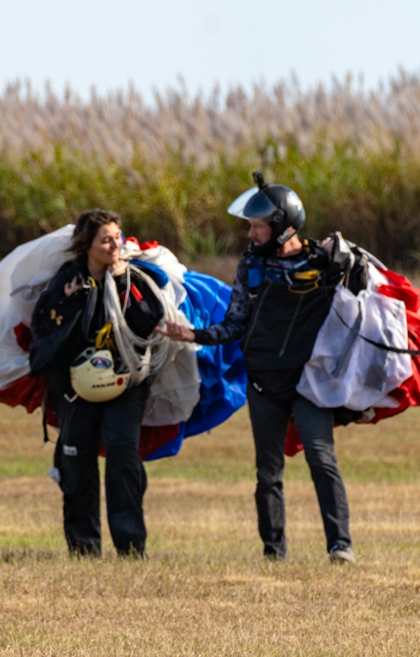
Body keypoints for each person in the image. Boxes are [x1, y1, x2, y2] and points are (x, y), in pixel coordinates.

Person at [157, 173, 356, 564]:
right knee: (268, 471)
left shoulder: (324, 263)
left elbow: (358, 306)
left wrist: (343, 254)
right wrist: (193, 334)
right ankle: (273, 552)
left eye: (257, 226)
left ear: (282, 227)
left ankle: (340, 545)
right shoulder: (251, 265)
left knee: (321, 458)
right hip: (264, 383)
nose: (250, 234)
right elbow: (235, 324)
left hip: (309, 383)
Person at [27, 208, 183, 557]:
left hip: (126, 384)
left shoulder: (134, 280)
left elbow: (149, 324)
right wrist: (70, 302)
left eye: (117, 238)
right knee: (76, 459)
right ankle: (83, 546)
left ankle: (131, 545)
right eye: (106, 240)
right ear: (87, 245)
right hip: (75, 387)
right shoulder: (66, 282)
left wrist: (123, 283)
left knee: (123, 455)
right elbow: (46, 329)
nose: (114, 245)